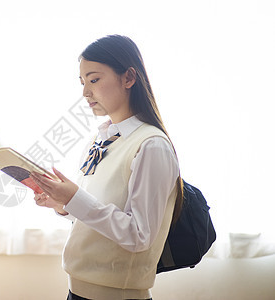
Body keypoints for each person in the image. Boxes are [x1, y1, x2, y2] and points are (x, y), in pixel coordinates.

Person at [30, 35, 183, 300]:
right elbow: (96, 213)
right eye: (82, 82)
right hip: (77, 290)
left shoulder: (151, 146)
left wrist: (74, 198)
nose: (85, 92)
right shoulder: (103, 138)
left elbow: (138, 235)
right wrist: (62, 204)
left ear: (128, 78)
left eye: (94, 79)